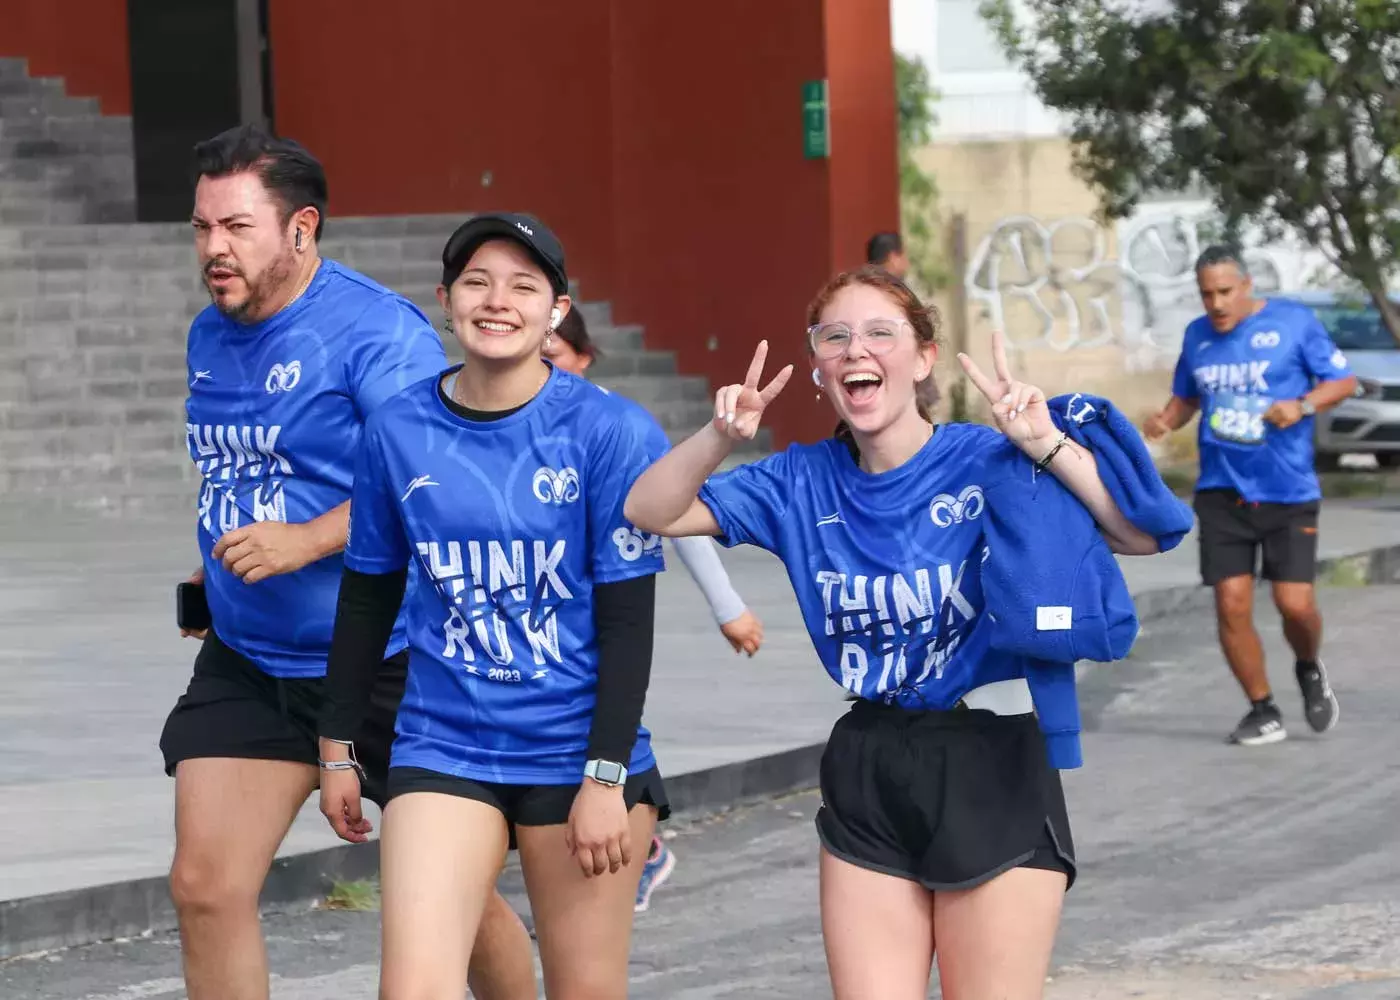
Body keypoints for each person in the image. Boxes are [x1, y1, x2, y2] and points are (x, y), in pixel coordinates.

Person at [622, 266, 1189, 999]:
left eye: (880, 333)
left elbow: (1144, 536)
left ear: (922, 359)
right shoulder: (800, 481)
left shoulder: (987, 458)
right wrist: (721, 435)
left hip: (993, 760)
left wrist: (1045, 443)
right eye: (837, 337)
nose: (857, 349)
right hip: (872, 760)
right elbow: (650, 510)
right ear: (821, 369)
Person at [158, 126, 536, 1000]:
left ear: (301, 229)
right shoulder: (208, 337)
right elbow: (236, 470)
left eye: (236, 227)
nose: (214, 248)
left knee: (453, 903)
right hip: (252, 662)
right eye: (202, 227)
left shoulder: (375, 334)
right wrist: (207, 579)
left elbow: (437, 475)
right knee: (205, 888)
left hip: (387, 660)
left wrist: (307, 539)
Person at [316, 212, 669, 1000]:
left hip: (576, 753)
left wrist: (606, 777)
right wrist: (336, 745)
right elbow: (368, 596)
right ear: (446, 299)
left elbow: (626, 622)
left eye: (523, 285)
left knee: (585, 989)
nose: (497, 300)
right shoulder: (398, 428)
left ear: (557, 309)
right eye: (476, 282)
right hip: (445, 745)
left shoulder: (609, 431)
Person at [545, 306, 769, 911]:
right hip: (530, 632)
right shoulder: (501, 422)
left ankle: (640, 848)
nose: (543, 367)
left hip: (602, 622)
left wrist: (729, 607)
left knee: (611, 724)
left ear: (584, 357)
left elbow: (681, 518)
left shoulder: (614, 427)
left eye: (556, 356)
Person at [1143, 245, 1357, 747]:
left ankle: (1308, 664)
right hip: (1221, 491)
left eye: (1224, 292)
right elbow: (1188, 395)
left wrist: (1301, 405)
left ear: (1246, 287)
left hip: (1287, 491)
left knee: (1295, 604)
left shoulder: (1293, 323)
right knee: (1231, 602)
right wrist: (1163, 422)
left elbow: (1341, 381)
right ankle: (1262, 709)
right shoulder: (1197, 336)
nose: (1215, 304)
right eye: (1206, 294)